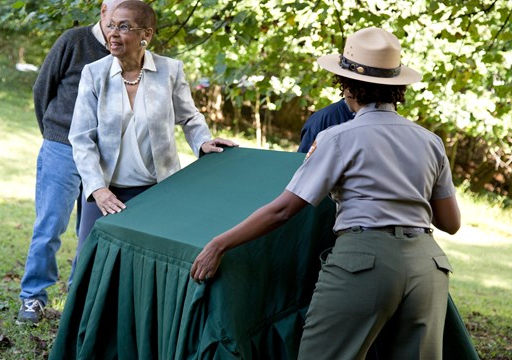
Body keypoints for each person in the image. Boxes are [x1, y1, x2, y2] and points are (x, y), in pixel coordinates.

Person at [190, 27, 461, 359]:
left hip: (364, 261)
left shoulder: (338, 137)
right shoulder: (430, 141)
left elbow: (283, 211)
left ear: (346, 86)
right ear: (396, 87)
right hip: (428, 265)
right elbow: (450, 222)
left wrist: (219, 244)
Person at [69, 0, 237, 258]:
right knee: (90, 261)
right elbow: (81, 138)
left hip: (158, 190)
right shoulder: (94, 73)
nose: (113, 33)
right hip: (106, 191)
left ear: (146, 34)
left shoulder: (170, 70)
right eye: (111, 25)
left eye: (124, 27)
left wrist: (202, 142)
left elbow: (189, 117)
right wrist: (97, 189)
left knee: (146, 262)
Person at [18, 0, 124, 325]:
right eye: (115, 18)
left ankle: (78, 300)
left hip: (105, 156)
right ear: (103, 11)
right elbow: (42, 89)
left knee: (91, 233)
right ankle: (33, 297)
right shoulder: (74, 40)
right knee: (50, 225)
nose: (120, 29)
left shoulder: (130, 52)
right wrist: (54, 133)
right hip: (61, 147)